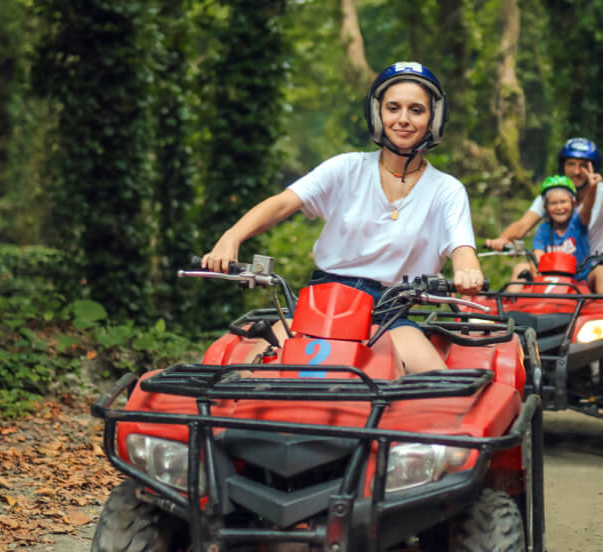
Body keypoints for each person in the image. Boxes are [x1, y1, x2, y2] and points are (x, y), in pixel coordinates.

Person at [200, 61, 482, 375]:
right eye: (393, 108)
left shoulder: (446, 190)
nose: (403, 119)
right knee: (246, 375)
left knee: (437, 384)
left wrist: (467, 271)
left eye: (416, 110)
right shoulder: (347, 168)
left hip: (389, 312)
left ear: (433, 119)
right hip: (320, 305)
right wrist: (231, 238)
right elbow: (283, 203)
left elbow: (461, 246)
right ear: (377, 113)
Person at [484, 137, 603, 293]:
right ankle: (511, 307)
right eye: (571, 164)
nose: (576, 171)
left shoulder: (598, 194)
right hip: (552, 275)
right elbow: (523, 226)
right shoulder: (550, 201)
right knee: (521, 268)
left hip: (589, 271)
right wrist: (502, 240)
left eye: (583, 165)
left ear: (572, 201)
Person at [504, 175, 588, 290]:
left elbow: (588, 208)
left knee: (601, 270)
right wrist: (536, 269)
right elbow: (538, 256)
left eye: (563, 202)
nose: (559, 207)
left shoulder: (579, 222)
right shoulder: (543, 229)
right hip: (547, 280)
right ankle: (511, 300)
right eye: (553, 203)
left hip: (578, 281)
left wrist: (593, 187)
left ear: (573, 202)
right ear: (545, 206)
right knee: (521, 267)